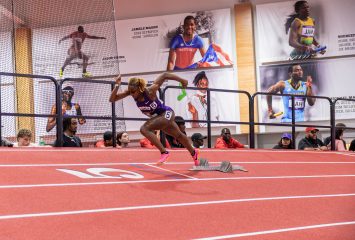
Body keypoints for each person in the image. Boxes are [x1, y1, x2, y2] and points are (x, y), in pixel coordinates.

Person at [109, 72, 200, 166]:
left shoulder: (150, 91)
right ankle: (194, 153)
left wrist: (182, 80)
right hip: (158, 118)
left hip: (166, 113)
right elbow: (112, 99)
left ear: (140, 89)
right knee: (179, 136)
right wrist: (117, 85)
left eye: (133, 92)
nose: (132, 94)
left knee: (144, 129)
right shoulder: (130, 92)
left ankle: (164, 152)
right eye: (130, 91)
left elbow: (165, 75)